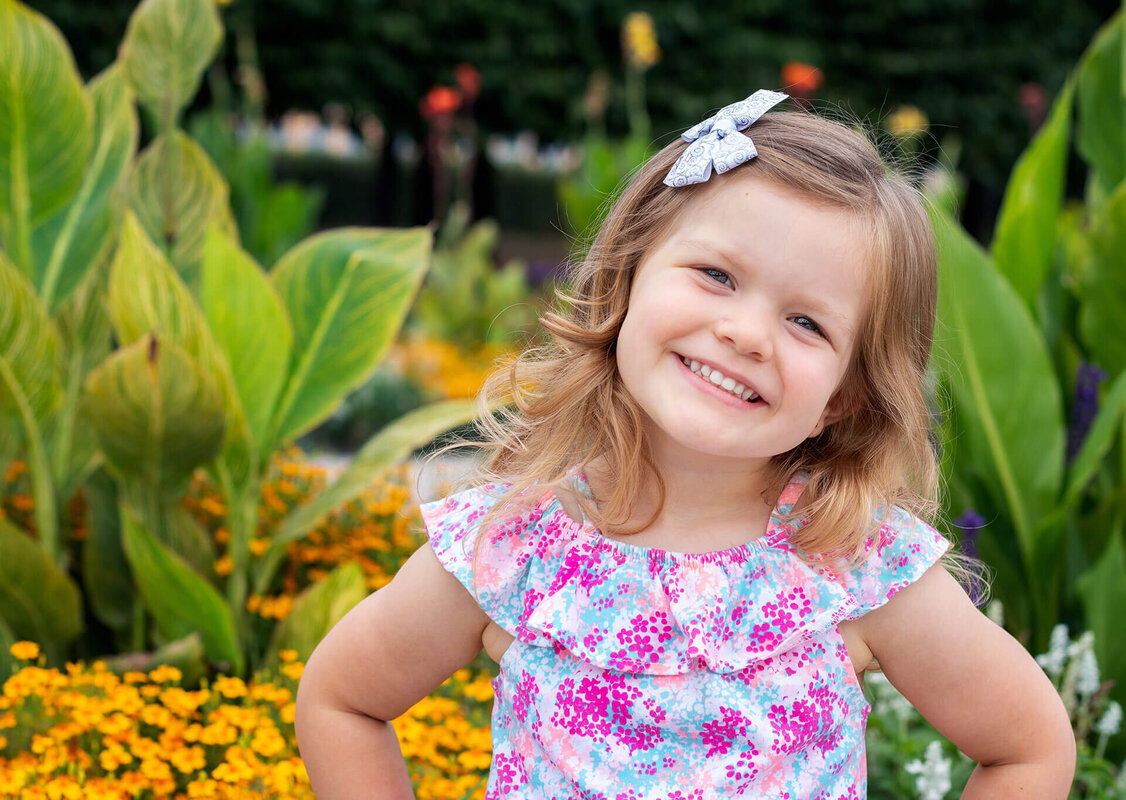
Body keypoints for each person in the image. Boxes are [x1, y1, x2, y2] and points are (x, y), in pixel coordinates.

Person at [296, 90, 1076, 798]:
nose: (744, 332)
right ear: (629, 274)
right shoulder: (517, 543)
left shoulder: (851, 563)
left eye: (806, 323)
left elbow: (1028, 749)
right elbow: (342, 699)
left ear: (843, 395)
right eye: (715, 275)